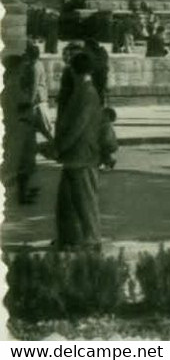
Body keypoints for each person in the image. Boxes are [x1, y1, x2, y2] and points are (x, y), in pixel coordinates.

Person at [54, 51, 103, 250]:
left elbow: (78, 125)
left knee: (84, 200)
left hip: (81, 153)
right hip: (75, 154)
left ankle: (92, 239)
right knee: (66, 200)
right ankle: (69, 237)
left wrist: (60, 147)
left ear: (74, 70)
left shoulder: (87, 92)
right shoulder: (83, 89)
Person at [16, 41, 51, 204]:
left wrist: (27, 105)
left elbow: (32, 88)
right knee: (30, 150)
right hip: (33, 107)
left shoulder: (33, 67)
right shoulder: (34, 65)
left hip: (34, 106)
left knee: (37, 142)